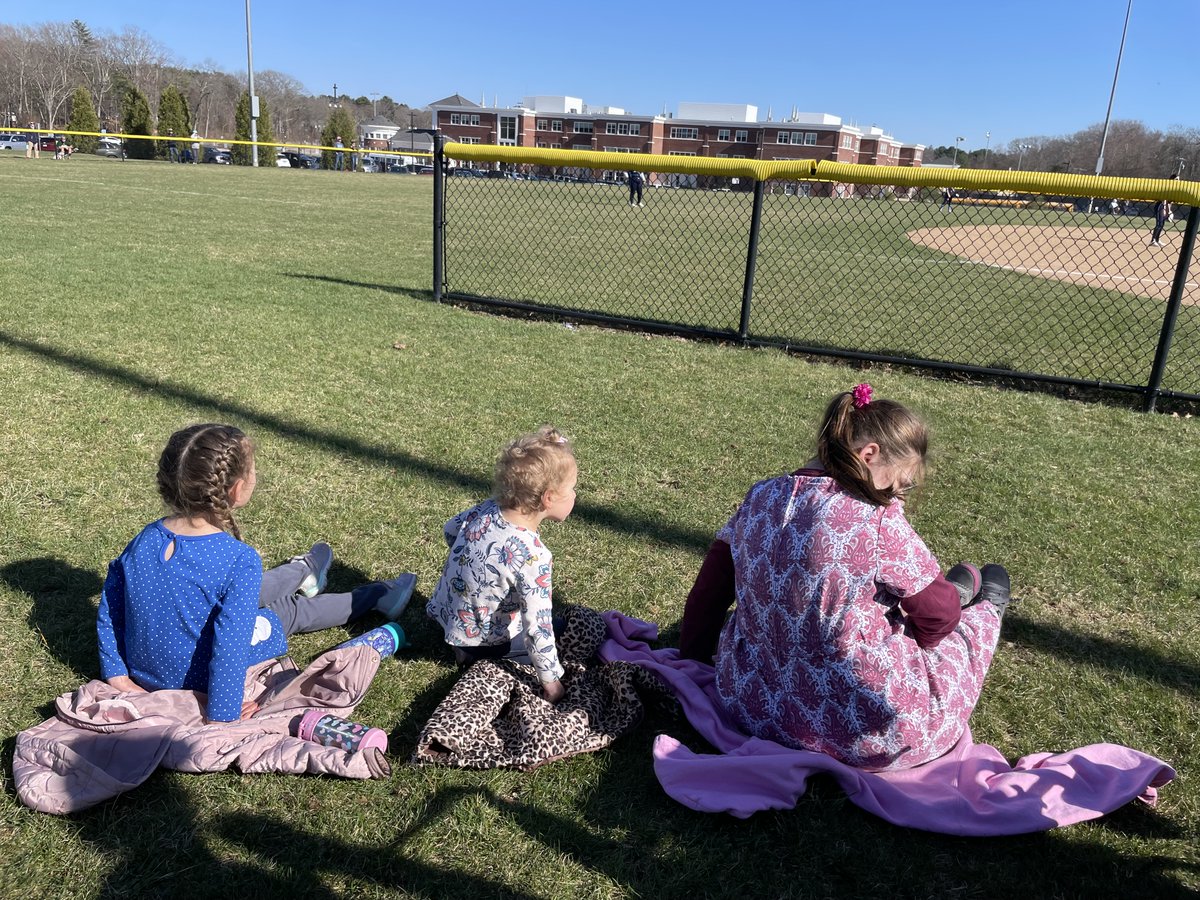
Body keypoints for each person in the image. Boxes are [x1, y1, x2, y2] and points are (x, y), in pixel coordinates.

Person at [678, 384, 1010, 771]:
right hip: (864, 734)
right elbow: (938, 618)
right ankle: (986, 607)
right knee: (957, 633)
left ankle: (948, 588)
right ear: (870, 455)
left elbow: (707, 597)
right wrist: (923, 641)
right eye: (901, 484)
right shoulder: (877, 518)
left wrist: (693, 665)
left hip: (755, 709)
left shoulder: (759, 497)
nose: (898, 497)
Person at [96, 424, 416, 724]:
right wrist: (222, 711)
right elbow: (230, 647)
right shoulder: (239, 560)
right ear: (236, 488)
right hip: (194, 680)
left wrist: (116, 673)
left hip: (143, 674)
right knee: (288, 610)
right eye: (253, 469)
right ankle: (377, 596)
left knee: (249, 590)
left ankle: (304, 570)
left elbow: (111, 602)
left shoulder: (146, 538)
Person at [426, 426, 577, 703]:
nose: (575, 495)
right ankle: (471, 654)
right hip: (485, 642)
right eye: (572, 489)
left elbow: (450, 530)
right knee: (560, 629)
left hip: (444, 615)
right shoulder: (533, 555)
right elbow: (537, 628)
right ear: (548, 498)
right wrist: (552, 681)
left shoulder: (487, 508)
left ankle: (463, 645)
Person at [1150, 175, 1179, 247]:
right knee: (1159, 223)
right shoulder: (1168, 186)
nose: (1178, 181)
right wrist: (1165, 210)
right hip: (1161, 205)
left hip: (1165, 206)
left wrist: (1169, 211)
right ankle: (1153, 240)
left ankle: (1157, 239)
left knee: (1162, 224)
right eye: (1176, 179)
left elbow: (1170, 202)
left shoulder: (1175, 189)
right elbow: (1164, 200)